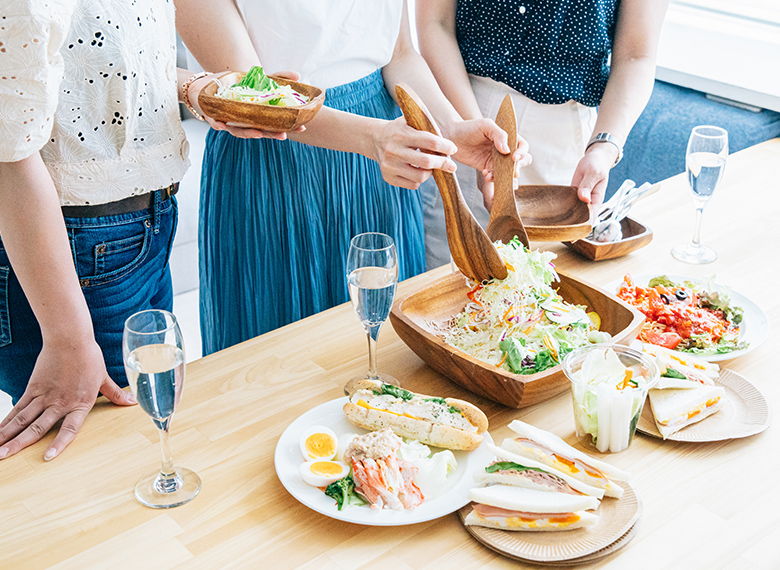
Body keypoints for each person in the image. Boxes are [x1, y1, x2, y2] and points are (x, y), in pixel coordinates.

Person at [175, 0, 531, 355]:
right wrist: (373, 139)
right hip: (272, 163)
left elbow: (401, 55)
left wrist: (452, 128)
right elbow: (251, 101)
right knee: (278, 362)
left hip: (382, 161)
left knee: (389, 355)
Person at [0, 0, 252, 461]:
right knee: (106, 459)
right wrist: (67, 336)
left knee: (148, 434)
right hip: (75, 248)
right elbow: (7, 147)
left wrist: (197, 88)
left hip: (146, 227)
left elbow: (100, 62)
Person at [417, 0, 668, 268]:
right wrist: (474, 131)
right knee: (451, 281)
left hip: (570, 141)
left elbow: (637, 55)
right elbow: (436, 22)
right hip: (466, 113)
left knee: (548, 289)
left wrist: (604, 147)